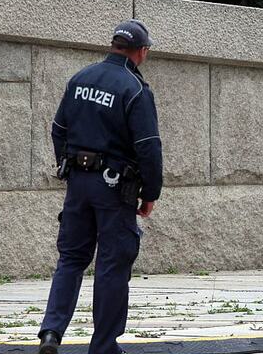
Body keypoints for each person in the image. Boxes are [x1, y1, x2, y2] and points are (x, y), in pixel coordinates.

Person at [37, 19, 163, 354]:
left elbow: (58, 129)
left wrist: (67, 167)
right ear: (142, 51)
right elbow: (148, 146)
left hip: (78, 185)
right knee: (112, 264)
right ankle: (104, 346)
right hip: (113, 189)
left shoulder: (80, 79)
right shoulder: (134, 89)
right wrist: (150, 193)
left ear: (114, 45)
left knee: (71, 258)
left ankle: (51, 332)